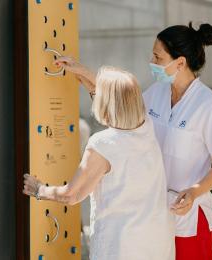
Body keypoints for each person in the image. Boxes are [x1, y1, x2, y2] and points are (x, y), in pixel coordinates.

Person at [55, 22, 212, 260]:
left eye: (158, 57)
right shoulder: (156, 92)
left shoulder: (208, 105)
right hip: (154, 213)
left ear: (180, 63)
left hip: (189, 216)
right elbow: (120, 105)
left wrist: (194, 192)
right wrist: (84, 74)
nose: (152, 62)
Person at [23, 66, 175, 260]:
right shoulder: (146, 127)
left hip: (121, 247)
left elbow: (72, 194)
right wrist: (91, 83)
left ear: (106, 103)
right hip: (156, 244)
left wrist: (38, 189)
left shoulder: (103, 144)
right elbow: (121, 101)